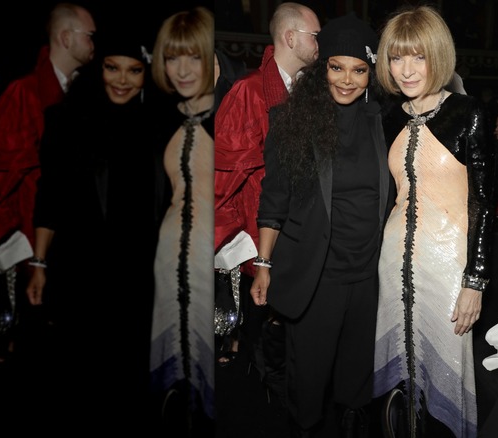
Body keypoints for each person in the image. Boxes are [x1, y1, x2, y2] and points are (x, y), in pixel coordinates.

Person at [249, 12, 389, 437]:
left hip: (369, 276)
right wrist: (264, 263)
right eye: (336, 67)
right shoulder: (291, 120)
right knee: (308, 383)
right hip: (317, 275)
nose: (347, 80)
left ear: (371, 72)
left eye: (359, 70)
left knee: (357, 382)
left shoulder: (385, 121)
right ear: (320, 67)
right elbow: (274, 200)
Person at [25, 26, 162, 430]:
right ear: (97, 67)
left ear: (145, 74)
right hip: (81, 268)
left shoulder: (156, 123)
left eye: (133, 71)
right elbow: (48, 196)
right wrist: (39, 262)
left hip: (138, 271)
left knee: (131, 371)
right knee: (79, 370)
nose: (122, 80)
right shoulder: (66, 120)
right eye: (112, 68)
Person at [372, 5, 494, 437]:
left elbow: (482, 200)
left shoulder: (468, 113)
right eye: (396, 57)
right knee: (398, 382)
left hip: (448, 266)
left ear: (437, 56)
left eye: (418, 56)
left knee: (444, 371)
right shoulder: (388, 118)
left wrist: (474, 279)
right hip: (393, 260)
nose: (406, 69)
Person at [213, 2, 319, 401]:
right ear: (291, 38)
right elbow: (225, 174)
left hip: (299, 233)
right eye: (315, 35)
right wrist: (225, 240)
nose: (320, 44)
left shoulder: (310, 91)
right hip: (260, 232)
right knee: (264, 335)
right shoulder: (249, 91)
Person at [0, 2, 95, 365]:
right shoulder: (23, 93)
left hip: (70, 246)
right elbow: (3, 177)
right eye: (89, 36)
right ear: (66, 38)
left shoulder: (86, 93)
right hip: (26, 244)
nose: (95, 43)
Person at [148, 6, 215, 435]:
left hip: (215, 259)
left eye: (193, 56)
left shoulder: (233, 114)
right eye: (173, 58)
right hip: (168, 255)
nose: (182, 69)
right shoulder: (160, 120)